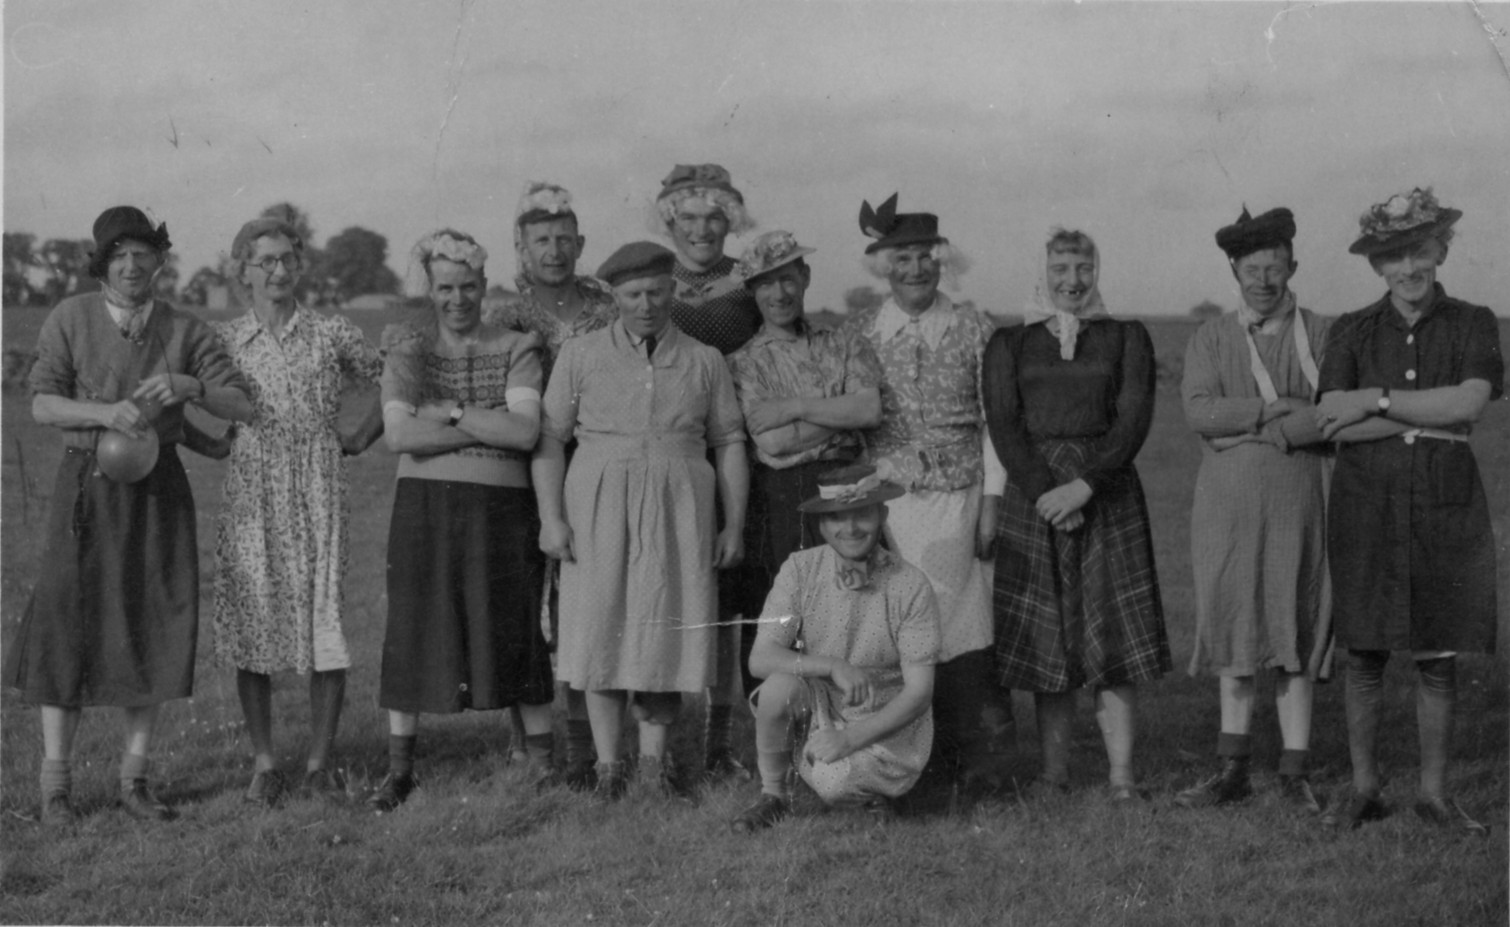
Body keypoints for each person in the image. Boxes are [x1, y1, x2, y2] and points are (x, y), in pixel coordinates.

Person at [5, 206, 252, 824]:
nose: (132, 265)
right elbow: (42, 405)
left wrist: (193, 389)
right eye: (118, 256)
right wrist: (102, 412)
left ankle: (134, 780)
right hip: (85, 488)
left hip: (158, 492)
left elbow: (240, 402)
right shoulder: (70, 317)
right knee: (67, 625)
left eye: (142, 253)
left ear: (159, 261)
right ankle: (56, 787)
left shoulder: (185, 328)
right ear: (102, 265)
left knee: (152, 623)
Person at [1314, 188, 1500, 835]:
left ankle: (1434, 794)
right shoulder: (1351, 328)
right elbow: (1331, 416)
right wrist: (1422, 411)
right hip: (1367, 500)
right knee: (1364, 650)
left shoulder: (1474, 321)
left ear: (1441, 249)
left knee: (1437, 654)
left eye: (1420, 250)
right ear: (1376, 265)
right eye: (1393, 257)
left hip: (1445, 502)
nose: (1409, 268)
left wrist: (1377, 398)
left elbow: (1469, 403)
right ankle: (1364, 788)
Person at [534, 241, 748, 800]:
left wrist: (733, 525)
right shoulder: (581, 354)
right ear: (615, 296)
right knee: (600, 629)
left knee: (664, 629)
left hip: (681, 510)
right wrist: (551, 518)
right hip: (599, 505)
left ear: (672, 290)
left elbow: (728, 441)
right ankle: (609, 767)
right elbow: (550, 440)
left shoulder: (704, 359)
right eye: (632, 295)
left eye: (655, 292)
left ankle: (654, 765)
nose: (645, 304)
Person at [366, 230, 555, 812]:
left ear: (484, 285)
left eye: (468, 286)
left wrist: (448, 412)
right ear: (430, 288)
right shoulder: (408, 351)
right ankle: (401, 772)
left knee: (516, 626)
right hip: (424, 508)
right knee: (413, 627)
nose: (457, 299)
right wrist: (485, 422)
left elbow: (524, 431)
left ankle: (542, 766)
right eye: (445, 287)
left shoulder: (518, 346)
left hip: (504, 510)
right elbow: (400, 435)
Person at [982, 228, 1169, 801]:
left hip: (1106, 490)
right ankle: (1053, 775)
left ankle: (1121, 778)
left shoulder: (1126, 337)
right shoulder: (1009, 343)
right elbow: (1004, 425)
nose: (1072, 280)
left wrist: (1084, 487)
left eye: (1083, 267)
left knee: (1112, 637)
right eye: (1060, 268)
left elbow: (1133, 419)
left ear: (1096, 270)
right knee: (1049, 639)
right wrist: (1048, 493)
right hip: (1034, 494)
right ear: (1042, 272)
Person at [208, 217, 386, 806]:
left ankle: (318, 763)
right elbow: (183, 392)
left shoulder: (331, 333)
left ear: (301, 265)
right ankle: (265, 764)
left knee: (323, 621)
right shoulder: (226, 340)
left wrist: (360, 436)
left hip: (318, 487)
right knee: (253, 620)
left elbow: (394, 378)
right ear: (244, 270)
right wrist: (210, 443)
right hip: (252, 491)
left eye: (288, 259)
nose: (279, 270)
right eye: (265, 261)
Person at [844, 194, 1004, 806]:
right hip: (890, 503)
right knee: (902, 623)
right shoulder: (861, 332)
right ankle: (910, 761)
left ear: (942, 262)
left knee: (963, 623)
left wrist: (991, 503)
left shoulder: (974, 327)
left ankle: (977, 759)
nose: (914, 269)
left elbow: (994, 423)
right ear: (884, 267)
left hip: (960, 497)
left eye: (925, 257)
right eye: (902, 258)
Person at [1175, 207, 1332, 813]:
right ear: (1234, 272)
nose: (1264, 280)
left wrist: (1251, 425)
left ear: (1293, 267)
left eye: (1275, 268)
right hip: (1227, 508)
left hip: (1302, 502)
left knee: (1296, 623)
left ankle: (1295, 771)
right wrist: (1271, 411)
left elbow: (1332, 412)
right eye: (1252, 270)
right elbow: (1199, 411)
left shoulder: (1323, 333)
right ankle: (1232, 770)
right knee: (1236, 624)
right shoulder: (1212, 337)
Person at [731, 465, 940, 832]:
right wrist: (831, 666)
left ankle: (870, 792)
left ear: (882, 514)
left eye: (862, 514)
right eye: (837, 518)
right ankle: (773, 795)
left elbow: (919, 693)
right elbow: (760, 658)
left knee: (835, 781)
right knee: (777, 689)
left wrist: (848, 739)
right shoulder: (800, 569)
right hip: (823, 707)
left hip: (886, 723)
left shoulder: (911, 585)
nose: (850, 528)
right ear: (822, 525)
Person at [492, 181, 618, 787]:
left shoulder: (607, 308)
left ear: (580, 243)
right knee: (523, 603)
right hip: (520, 467)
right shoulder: (505, 315)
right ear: (521, 248)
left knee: (583, 603)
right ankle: (528, 739)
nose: (554, 250)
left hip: (594, 464)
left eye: (564, 239)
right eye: (541, 240)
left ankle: (586, 742)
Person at [726, 230, 883, 700]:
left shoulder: (844, 342)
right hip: (782, 497)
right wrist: (838, 413)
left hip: (846, 488)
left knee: (856, 603)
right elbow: (773, 443)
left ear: (806, 277)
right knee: (786, 610)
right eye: (765, 283)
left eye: (787, 279)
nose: (779, 293)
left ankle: (855, 716)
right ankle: (782, 724)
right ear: (752, 291)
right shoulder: (743, 362)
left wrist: (793, 407)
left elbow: (869, 410)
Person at [654, 163, 761, 779]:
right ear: (670, 222)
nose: (701, 229)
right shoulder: (652, 282)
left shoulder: (748, 281)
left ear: (731, 221)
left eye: (715, 217)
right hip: (672, 451)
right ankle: (661, 739)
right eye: (689, 218)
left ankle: (719, 741)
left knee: (725, 604)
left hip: (737, 450)